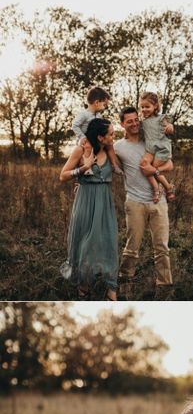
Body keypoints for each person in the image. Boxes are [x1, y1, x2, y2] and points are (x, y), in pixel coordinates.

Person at [114, 106, 174, 299]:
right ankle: (125, 283)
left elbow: (170, 164)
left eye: (136, 120)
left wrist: (154, 171)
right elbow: (106, 165)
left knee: (162, 248)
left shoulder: (151, 140)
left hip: (159, 202)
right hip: (135, 203)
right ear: (122, 124)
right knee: (132, 247)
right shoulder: (117, 147)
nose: (134, 124)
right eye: (129, 121)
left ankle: (164, 288)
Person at [60, 117, 120, 300]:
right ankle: (84, 284)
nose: (113, 137)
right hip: (85, 201)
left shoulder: (110, 151)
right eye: (111, 134)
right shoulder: (81, 150)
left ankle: (111, 286)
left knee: (108, 241)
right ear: (100, 137)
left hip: (104, 202)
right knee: (84, 242)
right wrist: (83, 168)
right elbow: (62, 175)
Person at [71, 85, 122, 174]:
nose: (105, 107)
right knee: (88, 147)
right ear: (97, 102)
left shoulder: (98, 115)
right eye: (104, 104)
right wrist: (82, 137)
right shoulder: (84, 114)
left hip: (96, 139)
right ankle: (87, 168)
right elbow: (75, 125)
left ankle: (114, 165)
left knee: (109, 145)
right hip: (86, 139)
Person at [138, 91, 175, 202]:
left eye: (147, 107)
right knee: (144, 165)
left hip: (161, 148)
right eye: (142, 107)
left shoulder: (161, 118)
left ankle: (164, 189)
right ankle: (163, 187)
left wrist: (170, 127)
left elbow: (169, 127)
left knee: (151, 169)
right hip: (150, 148)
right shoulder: (143, 122)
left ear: (155, 106)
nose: (144, 109)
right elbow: (139, 133)